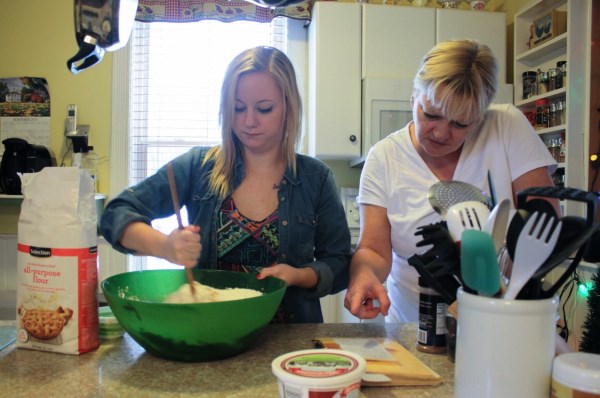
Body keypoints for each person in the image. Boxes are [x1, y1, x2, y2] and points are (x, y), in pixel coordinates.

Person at [100, 46, 351, 323]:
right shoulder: (198, 167)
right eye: (237, 108)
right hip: (209, 335)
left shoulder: (316, 178)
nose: (249, 121)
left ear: (288, 107)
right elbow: (115, 215)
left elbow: (340, 265)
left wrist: (299, 275)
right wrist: (166, 247)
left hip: (289, 346)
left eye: (264, 109)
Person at [344, 40, 558, 323]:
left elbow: (541, 221)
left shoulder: (507, 126)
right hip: (412, 329)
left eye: (461, 124)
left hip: (502, 323)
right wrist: (364, 274)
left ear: (481, 116)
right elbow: (373, 249)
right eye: (431, 115)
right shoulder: (384, 158)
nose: (442, 134)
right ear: (413, 98)